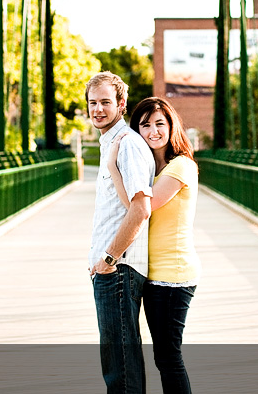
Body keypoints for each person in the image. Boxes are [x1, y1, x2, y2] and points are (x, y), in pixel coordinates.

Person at [108, 97, 200, 394]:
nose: (153, 131)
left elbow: (142, 207)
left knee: (169, 357)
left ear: (171, 126)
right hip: (154, 275)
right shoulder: (152, 171)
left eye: (160, 123)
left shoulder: (181, 166)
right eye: (144, 125)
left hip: (173, 276)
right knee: (164, 356)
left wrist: (113, 167)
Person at [86, 71, 155, 394]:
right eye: (93, 103)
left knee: (121, 369)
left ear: (121, 104)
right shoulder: (112, 145)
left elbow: (141, 208)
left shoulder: (127, 145)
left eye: (105, 102)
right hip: (110, 269)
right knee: (117, 362)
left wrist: (109, 258)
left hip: (119, 269)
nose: (98, 109)